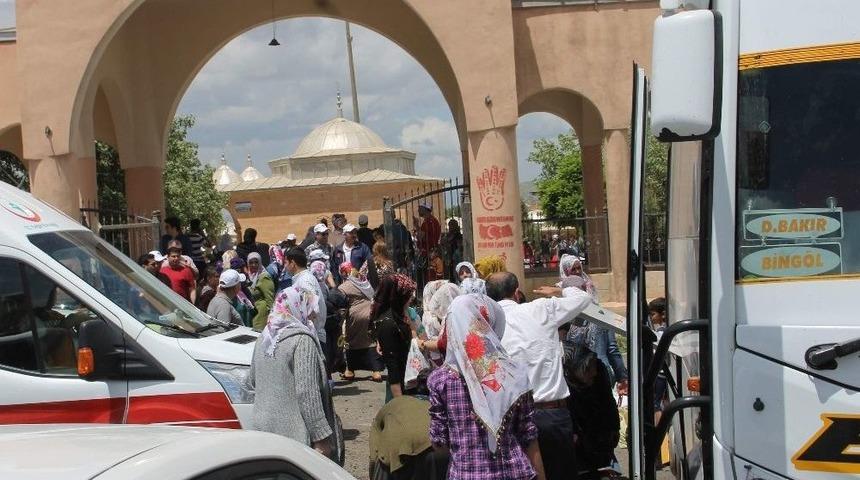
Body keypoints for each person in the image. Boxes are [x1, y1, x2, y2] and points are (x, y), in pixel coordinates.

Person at [486, 272, 592, 480]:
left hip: (511, 418)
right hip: (551, 415)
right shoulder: (541, 308)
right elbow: (583, 298)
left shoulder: (486, 325)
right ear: (517, 293)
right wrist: (561, 290)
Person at [428, 294, 546, 480]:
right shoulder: (514, 375)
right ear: (489, 324)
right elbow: (529, 437)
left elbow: (438, 442)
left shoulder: (440, 381)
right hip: (515, 472)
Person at [249, 286, 335, 459]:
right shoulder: (302, 340)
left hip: (263, 429)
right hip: (294, 436)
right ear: (298, 306)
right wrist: (321, 437)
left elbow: (252, 380)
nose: (313, 314)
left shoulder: (264, 338)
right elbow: (308, 394)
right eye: (310, 308)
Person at [562, 329, 621, 479]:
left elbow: (608, 402)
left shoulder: (598, 370)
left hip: (599, 435)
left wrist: (614, 428)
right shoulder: (563, 379)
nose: (593, 374)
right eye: (589, 370)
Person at [370, 396, 450, 480]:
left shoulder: (387, 410)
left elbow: (374, 456)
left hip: (406, 448)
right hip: (440, 446)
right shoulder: (433, 404)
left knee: (384, 458)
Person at [372, 273, 417, 400]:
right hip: (400, 392)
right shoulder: (388, 323)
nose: (411, 298)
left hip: (408, 381)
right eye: (408, 294)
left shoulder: (401, 314)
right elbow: (393, 370)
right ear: (398, 296)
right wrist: (400, 404)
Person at [337, 261, 384, 382]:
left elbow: (342, 307)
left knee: (351, 340)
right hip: (371, 314)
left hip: (355, 317)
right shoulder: (364, 281)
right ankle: (376, 371)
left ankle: (350, 371)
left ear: (343, 273)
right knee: (371, 340)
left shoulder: (343, 287)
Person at [287, 248, 329, 356]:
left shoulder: (304, 280)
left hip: (313, 338)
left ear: (292, 263)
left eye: (286, 262)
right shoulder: (304, 278)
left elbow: (313, 309)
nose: (285, 266)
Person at [247, 252, 275, 331]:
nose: (254, 265)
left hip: (261, 314)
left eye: (256, 262)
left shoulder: (264, 276)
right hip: (253, 313)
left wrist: (272, 316)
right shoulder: (249, 276)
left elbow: (269, 298)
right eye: (251, 262)